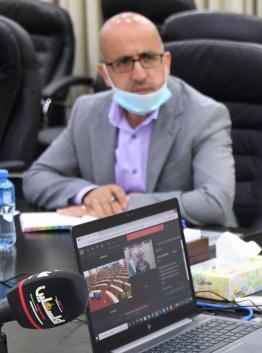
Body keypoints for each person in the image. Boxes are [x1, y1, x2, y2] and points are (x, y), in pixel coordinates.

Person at [23, 12, 236, 227]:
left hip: (188, 240)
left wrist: (121, 207)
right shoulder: (86, 111)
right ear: (105, 74)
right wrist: (89, 194)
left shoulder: (205, 115)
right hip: (111, 242)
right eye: (123, 62)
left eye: (148, 58)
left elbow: (214, 202)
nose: (139, 75)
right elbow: (37, 176)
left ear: (166, 63)